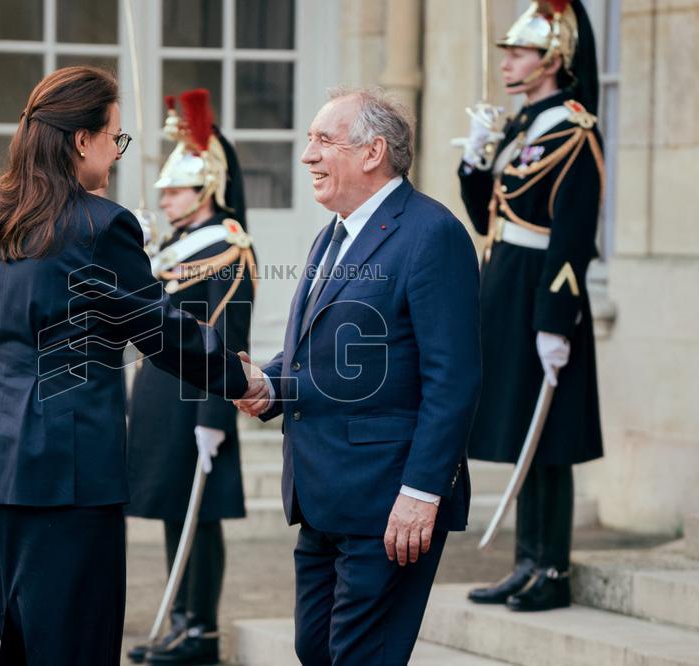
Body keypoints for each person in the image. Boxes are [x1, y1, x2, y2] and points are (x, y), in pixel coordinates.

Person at [0, 66, 264, 665]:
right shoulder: (100, 225)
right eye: (114, 137)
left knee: (22, 645)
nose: (118, 153)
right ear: (81, 140)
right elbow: (159, 331)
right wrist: (239, 377)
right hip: (70, 470)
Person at [236, 86, 481, 665]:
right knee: (314, 648)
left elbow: (454, 379)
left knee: (360, 656)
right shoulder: (334, 232)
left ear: (373, 152)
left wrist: (421, 493)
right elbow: (325, 354)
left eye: (324, 140)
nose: (307, 155)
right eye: (309, 140)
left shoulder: (432, 233)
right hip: (322, 495)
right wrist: (269, 385)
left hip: (388, 501)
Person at [459, 0, 604, 612]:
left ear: (553, 58)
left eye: (519, 53)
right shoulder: (523, 125)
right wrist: (474, 160)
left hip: (542, 292)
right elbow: (486, 216)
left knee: (552, 438)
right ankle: (525, 562)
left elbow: (572, 233)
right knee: (525, 429)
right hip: (506, 286)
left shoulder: (573, 129)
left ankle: (552, 568)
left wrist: (555, 321)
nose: (508, 62)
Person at [125, 89, 256, 666]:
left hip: (195, 400)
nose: (166, 198)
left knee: (199, 519)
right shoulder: (173, 247)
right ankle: (180, 621)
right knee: (174, 513)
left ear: (205, 188)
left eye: (175, 190)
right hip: (159, 396)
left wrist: (215, 415)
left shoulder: (229, 247)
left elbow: (228, 339)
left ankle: (200, 630)